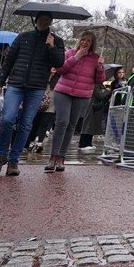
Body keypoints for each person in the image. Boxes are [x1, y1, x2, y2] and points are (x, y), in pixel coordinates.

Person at [0, 12, 65, 176]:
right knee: (8, 119)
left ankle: (13, 161)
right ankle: (1, 155)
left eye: (48, 20)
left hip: (37, 87)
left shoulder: (56, 40)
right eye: (42, 19)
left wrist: (51, 47)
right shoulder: (23, 37)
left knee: (26, 124)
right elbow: (9, 61)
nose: (44, 22)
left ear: (51, 22)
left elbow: (59, 63)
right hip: (16, 84)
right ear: (35, 21)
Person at [47, 31, 104, 172]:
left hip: (82, 94)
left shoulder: (96, 58)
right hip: (63, 91)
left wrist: (100, 68)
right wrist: (77, 57)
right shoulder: (70, 52)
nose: (85, 43)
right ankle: (53, 156)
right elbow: (60, 70)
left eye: (88, 41)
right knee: (62, 122)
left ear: (92, 44)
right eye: (83, 39)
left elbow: (99, 80)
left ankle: (61, 157)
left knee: (72, 125)